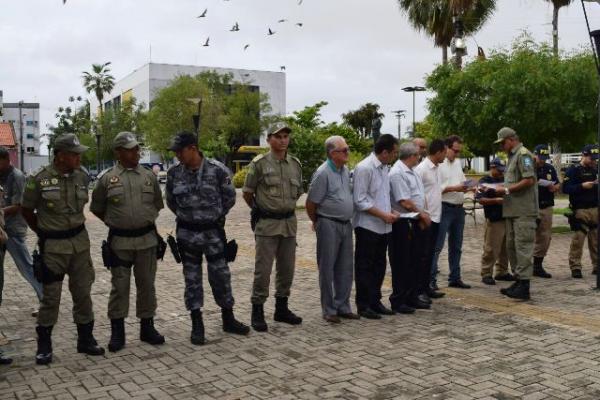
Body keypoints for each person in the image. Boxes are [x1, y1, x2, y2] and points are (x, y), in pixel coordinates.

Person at [21, 133, 104, 365]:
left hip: (79, 245)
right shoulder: (38, 179)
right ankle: (44, 345)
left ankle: (85, 339)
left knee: (83, 294)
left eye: (79, 154)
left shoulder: (83, 176)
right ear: (60, 155)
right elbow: (26, 210)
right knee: (51, 297)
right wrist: (44, 231)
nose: (79, 158)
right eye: (74, 154)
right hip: (53, 248)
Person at [166, 131, 249, 345]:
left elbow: (229, 199)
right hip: (187, 234)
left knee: (221, 276)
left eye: (179, 151)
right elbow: (171, 201)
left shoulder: (218, 170)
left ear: (193, 148)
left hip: (213, 233)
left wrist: (211, 217)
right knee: (192, 280)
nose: (177, 155)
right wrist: (190, 217)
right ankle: (197, 324)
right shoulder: (175, 173)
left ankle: (228, 318)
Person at [90, 132, 165, 352]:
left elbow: (157, 205)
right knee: (119, 288)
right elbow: (97, 208)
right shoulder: (107, 178)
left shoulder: (148, 176)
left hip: (146, 241)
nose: (136, 152)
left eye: (137, 149)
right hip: (120, 243)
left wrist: (141, 220)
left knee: (147, 287)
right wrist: (116, 222)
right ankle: (117, 332)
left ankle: (147, 328)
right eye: (131, 149)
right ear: (119, 152)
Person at [243, 122, 304, 331]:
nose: (283, 140)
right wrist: (261, 210)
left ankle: (281, 309)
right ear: (269, 139)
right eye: (278, 136)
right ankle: (257, 311)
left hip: (289, 223)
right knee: (263, 270)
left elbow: (298, 193)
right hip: (267, 224)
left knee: (287, 269)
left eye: (286, 136)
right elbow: (247, 193)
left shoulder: (295, 164)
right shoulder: (259, 164)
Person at [305, 136, 359, 323]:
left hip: (345, 223)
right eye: (344, 150)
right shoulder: (323, 173)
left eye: (347, 149)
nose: (347, 153)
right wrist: (318, 222)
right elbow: (311, 203)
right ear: (332, 153)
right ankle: (329, 309)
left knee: (345, 268)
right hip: (328, 223)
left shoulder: (344, 171)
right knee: (327, 268)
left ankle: (343, 306)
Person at [352, 134, 399, 319]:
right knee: (365, 266)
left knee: (380, 265)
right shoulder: (365, 168)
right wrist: (383, 215)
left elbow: (384, 196)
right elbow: (360, 200)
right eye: (394, 152)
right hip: (368, 226)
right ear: (385, 152)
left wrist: (392, 212)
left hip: (384, 226)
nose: (395, 156)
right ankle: (363, 304)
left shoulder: (385, 168)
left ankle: (375, 300)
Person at [492, 127, 538, 300]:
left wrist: (505, 190)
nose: (502, 146)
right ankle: (519, 281)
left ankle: (524, 285)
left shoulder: (523, 154)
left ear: (511, 139)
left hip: (524, 211)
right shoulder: (512, 156)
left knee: (523, 247)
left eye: (503, 143)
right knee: (512, 247)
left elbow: (529, 180)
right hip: (512, 210)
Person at [389, 142, 431, 313]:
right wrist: (422, 215)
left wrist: (422, 214)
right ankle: (399, 300)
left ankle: (411, 296)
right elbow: (404, 201)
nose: (420, 157)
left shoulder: (412, 171)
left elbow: (419, 196)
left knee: (414, 261)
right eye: (418, 154)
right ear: (412, 156)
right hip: (402, 222)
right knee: (402, 263)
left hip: (414, 220)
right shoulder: (398, 173)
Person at [0, 147, 43, 309]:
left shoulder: (17, 176)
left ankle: (46, 300)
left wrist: (0, 212)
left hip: (13, 229)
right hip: (1, 228)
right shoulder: (1, 175)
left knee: (27, 267)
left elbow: (19, 205)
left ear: (5, 159)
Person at [431, 135, 472, 289]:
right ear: (446, 148)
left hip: (458, 208)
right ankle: (431, 279)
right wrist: (454, 188)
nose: (457, 154)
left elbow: (461, 181)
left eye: (459, 151)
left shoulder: (457, 163)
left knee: (456, 246)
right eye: (455, 151)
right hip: (444, 207)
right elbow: (434, 189)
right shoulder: (438, 165)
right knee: (437, 245)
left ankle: (455, 277)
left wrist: (469, 186)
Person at [415, 139, 447, 299]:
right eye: (445, 152)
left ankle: (427, 287)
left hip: (436, 217)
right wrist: (422, 215)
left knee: (430, 255)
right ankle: (419, 290)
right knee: (423, 255)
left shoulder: (437, 169)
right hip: (426, 218)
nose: (446, 156)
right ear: (439, 151)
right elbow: (417, 195)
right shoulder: (422, 169)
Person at [563, 144, 599, 279]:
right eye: (591, 158)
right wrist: (582, 186)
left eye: (596, 159)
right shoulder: (573, 170)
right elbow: (566, 188)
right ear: (584, 155)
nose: (594, 161)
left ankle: (597, 266)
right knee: (578, 240)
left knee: (596, 240)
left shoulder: (596, 170)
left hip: (595, 208)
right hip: (580, 209)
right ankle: (576, 267)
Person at [476, 158, 514, 285]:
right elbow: (480, 200)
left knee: (506, 248)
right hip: (494, 218)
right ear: (492, 167)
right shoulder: (484, 181)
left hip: (508, 216)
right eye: (499, 170)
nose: (501, 173)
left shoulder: (506, 179)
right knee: (491, 247)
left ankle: (502, 271)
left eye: (503, 170)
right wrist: (495, 200)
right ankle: (486, 273)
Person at [533, 144, 560, 278]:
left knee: (545, 237)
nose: (542, 160)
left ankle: (537, 265)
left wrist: (555, 187)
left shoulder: (549, 168)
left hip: (547, 205)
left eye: (544, 158)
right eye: (540, 157)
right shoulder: (528, 166)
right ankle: (523, 265)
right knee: (527, 236)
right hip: (532, 206)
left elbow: (557, 183)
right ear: (535, 155)